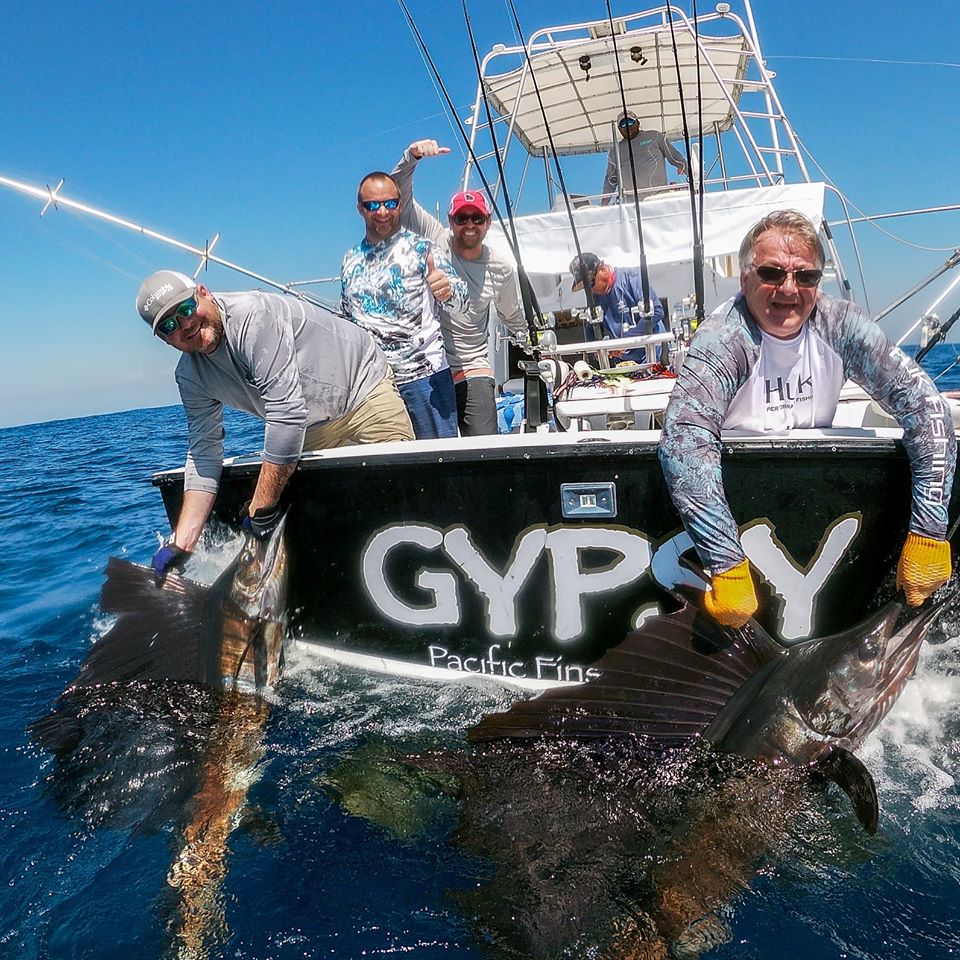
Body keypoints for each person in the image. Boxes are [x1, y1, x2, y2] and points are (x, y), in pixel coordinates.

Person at [659, 210, 956, 628]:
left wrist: (928, 532)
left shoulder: (841, 326)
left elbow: (928, 409)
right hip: (736, 513)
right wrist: (724, 562)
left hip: (812, 520)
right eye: (772, 273)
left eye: (805, 277)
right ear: (745, 280)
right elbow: (685, 441)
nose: (788, 289)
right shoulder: (725, 338)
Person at [136, 269, 414, 580]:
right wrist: (182, 543)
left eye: (186, 309)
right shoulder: (189, 377)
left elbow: (287, 414)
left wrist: (259, 512)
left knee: (402, 492)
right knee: (319, 516)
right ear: (163, 339)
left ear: (203, 292)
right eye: (170, 325)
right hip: (310, 427)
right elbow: (204, 452)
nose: (185, 324)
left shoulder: (254, 316)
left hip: (363, 391)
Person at [391, 139, 529, 436]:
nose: (469, 224)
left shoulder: (502, 268)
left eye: (476, 218)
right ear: (450, 221)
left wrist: (535, 345)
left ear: (488, 222)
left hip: (472, 368)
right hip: (427, 368)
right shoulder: (434, 237)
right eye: (461, 217)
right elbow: (399, 200)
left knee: (484, 454)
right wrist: (411, 157)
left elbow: (512, 316)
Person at [341, 170, 470, 439]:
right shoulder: (349, 261)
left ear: (399, 204)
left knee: (437, 466)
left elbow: (463, 302)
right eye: (373, 205)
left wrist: (446, 292)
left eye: (390, 203)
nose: (383, 212)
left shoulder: (423, 249)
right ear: (360, 209)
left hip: (425, 381)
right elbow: (346, 322)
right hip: (374, 387)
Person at [569, 251, 666, 363]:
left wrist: (626, 341)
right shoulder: (594, 295)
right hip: (624, 362)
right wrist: (597, 351)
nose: (591, 290)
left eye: (591, 284)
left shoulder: (632, 277)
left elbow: (657, 311)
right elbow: (591, 327)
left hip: (652, 355)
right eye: (585, 288)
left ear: (602, 269)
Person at [601, 110, 687, 205]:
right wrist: (603, 205)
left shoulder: (655, 136)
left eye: (630, 122)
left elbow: (676, 159)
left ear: (638, 123)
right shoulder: (614, 152)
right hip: (631, 204)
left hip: (659, 198)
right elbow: (610, 181)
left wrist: (693, 178)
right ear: (619, 129)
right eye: (623, 124)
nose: (627, 126)